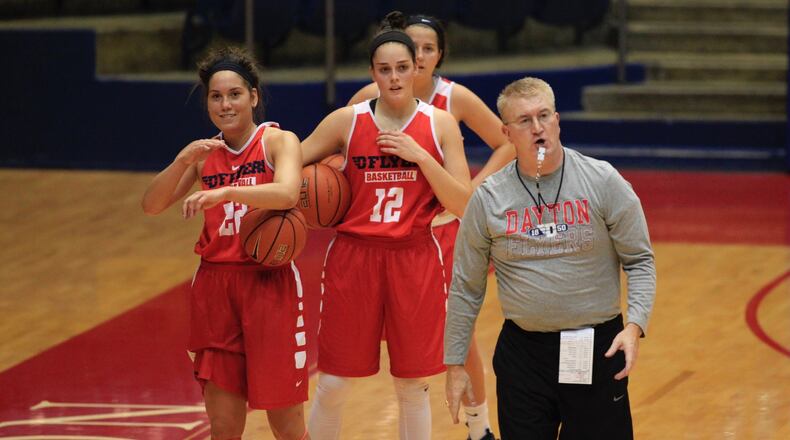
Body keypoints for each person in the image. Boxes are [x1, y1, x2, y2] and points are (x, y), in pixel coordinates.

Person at [444, 77, 657, 440]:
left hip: (596, 350)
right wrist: (454, 363)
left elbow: (639, 260)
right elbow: (466, 286)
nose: (538, 128)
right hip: (524, 357)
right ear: (506, 132)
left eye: (544, 116)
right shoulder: (488, 199)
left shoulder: (603, 180)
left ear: (558, 120)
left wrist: (634, 327)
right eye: (524, 120)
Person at [301, 17, 472, 440]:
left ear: (417, 68)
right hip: (353, 258)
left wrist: (422, 157)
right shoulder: (347, 121)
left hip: (414, 259)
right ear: (372, 73)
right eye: (384, 69)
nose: (394, 77)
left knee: (412, 386)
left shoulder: (439, 125)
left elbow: (464, 203)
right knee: (335, 382)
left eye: (402, 67)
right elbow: (293, 162)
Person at [348, 12, 514, 439]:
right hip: (390, 238)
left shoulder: (452, 99)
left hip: (443, 231)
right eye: (413, 47)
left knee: (460, 331)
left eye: (428, 49)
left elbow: (508, 141)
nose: (419, 56)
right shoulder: (368, 96)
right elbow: (339, 153)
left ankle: (480, 427)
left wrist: (472, 189)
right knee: (402, 338)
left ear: (439, 55)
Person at [141, 46, 309, 440]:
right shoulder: (203, 156)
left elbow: (286, 194)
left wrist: (227, 193)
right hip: (216, 288)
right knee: (224, 425)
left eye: (235, 94)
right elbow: (151, 205)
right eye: (216, 96)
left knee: (287, 424)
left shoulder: (278, 141)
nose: (225, 104)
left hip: (269, 285)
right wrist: (182, 162)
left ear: (253, 96)